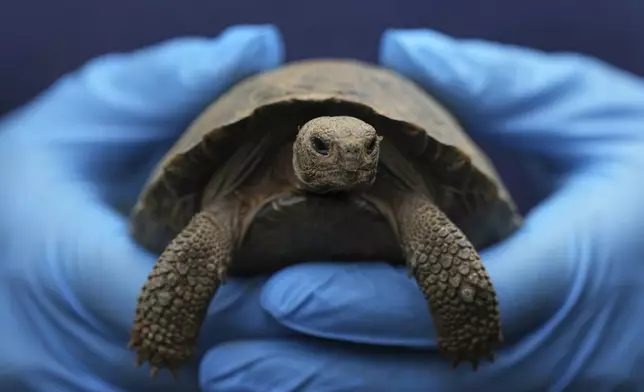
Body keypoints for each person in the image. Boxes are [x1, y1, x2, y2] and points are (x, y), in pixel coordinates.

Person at [1, 24, 643, 391]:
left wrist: (472, 323)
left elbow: (448, 250)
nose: (353, 160)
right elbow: (201, 237)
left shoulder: (407, 201)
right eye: (325, 147)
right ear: (302, 146)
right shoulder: (233, 196)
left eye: (367, 149)